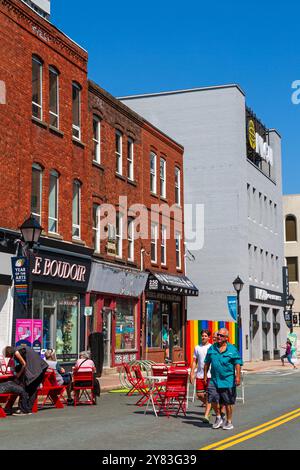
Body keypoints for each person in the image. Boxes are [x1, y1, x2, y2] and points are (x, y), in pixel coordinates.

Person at [204, 328, 243, 430]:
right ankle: (218, 417)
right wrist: (205, 376)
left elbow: (238, 363)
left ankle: (229, 422)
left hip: (228, 380)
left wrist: (238, 377)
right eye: (218, 335)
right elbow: (207, 362)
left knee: (228, 402)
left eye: (221, 335)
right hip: (214, 379)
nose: (219, 337)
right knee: (212, 398)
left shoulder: (232, 349)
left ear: (226, 338)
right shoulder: (212, 348)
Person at [4, 345, 48, 413]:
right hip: (41, 367)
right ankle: (28, 409)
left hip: (36, 369)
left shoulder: (16, 352)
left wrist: (18, 374)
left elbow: (24, 364)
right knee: (33, 389)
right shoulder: (19, 349)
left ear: (9, 352)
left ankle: (23, 409)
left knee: (24, 387)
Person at [190, 330, 212, 423]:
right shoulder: (197, 347)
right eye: (202, 336)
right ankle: (209, 405)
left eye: (205, 336)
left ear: (209, 337)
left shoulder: (211, 347)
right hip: (200, 374)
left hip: (210, 374)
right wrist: (192, 372)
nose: (203, 337)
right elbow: (195, 361)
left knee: (209, 395)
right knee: (199, 395)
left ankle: (206, 415)